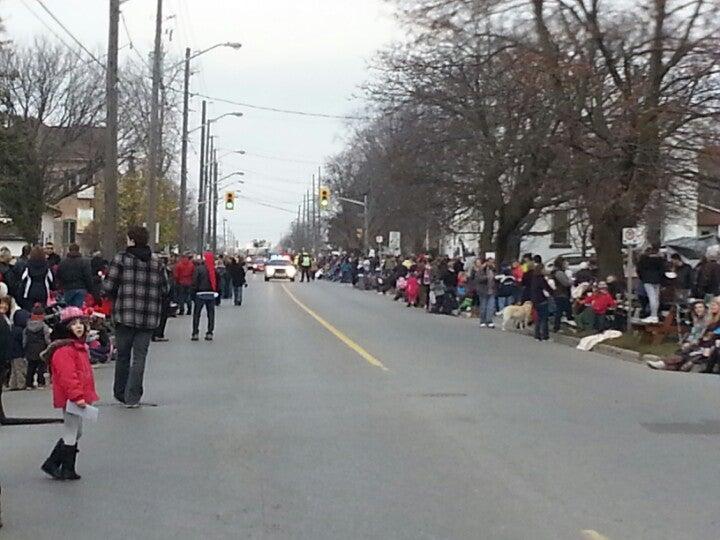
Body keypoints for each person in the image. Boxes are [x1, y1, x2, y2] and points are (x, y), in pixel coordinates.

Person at [103, 226, 168, 408]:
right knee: (140, 357)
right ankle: (133, 396)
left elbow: (108, 287)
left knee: (123, 355)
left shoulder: (122, 259)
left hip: (125, 314)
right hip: (148, 317)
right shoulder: (156, 262)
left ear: (131, 240)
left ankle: (120, 391)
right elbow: (165, 289)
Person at [40, 306, 99, 481]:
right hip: (71, 398)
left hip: (74, 396)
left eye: (81, 323)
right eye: (74, 324)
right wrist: (77, 397)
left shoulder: (77, 347)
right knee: (72, 430)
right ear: (66, 328)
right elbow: (68, 377)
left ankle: (55, 463)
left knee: (75, 430)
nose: (79, 327)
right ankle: (65, 467)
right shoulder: (65, 350)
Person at [647, 301, 708, 370]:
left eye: (700, 307)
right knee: (682, 352)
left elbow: (702, 335)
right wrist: (687, 341)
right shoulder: (696, 320)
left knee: (685, 353)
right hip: (694, 343)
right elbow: (693, 333)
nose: (698, 309)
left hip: (702, 345)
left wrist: (690, 343)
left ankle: (663, 363)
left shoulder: (707, 321)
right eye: (696, 308)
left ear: (705, 309)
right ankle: (664, 365)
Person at [191, 252, 219, 341]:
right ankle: (210, 332)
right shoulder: (214, 270)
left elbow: (194, 281)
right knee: (210, 314)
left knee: (197, 314)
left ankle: (195, 332)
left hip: (200, 293)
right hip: (211, 294)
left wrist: (193, 292)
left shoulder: (199, 269)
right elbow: (218, 283)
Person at [57, 244, 93, 308]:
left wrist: (61, 286)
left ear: (69, 250)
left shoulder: (63, 262)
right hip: (81, 288)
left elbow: (59, 275)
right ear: (78, 250)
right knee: (78, 311)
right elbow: (88, 276)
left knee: (68, 311)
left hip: (68, 288)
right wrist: (90, 289)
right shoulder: (85, 262)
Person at [637, 245, 665, 323]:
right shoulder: (660, 260)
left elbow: (639, 270)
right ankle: (655, 315)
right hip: (657, 280)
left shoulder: (644, 259)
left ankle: (653, 316)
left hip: (647, 280)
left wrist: (643, 278)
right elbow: (663, 270)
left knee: (651, 297)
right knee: (656, 298)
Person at [25, 304, 51, 388]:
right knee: (41, 367)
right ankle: (41, 382)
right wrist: (49, 346)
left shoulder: (27, 327)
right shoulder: (44, 326)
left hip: (30, 349)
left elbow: (24, 339)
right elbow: (47, 338)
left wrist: (25, 348)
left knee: (31, 367)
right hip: (41, 349)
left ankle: (29, 383)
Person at [19, 246, 53, 311]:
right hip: (43, 291)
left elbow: (23, 278)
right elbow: (51, 279)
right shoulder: (47, 266)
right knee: (42, 311)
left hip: (30, 291)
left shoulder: (28, 265)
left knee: (29, 311)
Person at [8, 308, 30, 391]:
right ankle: (21, 384)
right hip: (18, 352)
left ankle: (13, 384)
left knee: (14, 369)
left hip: (12, 352)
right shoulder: (21, 331)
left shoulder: (12, 328)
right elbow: (23, 342)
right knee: (20, 369)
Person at [473, 258, 497, 328]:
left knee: (491, 307)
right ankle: (482, 321)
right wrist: (487, 277)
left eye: (492, 262)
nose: (491, 264)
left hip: (492, 290)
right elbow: (478, 279)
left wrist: (496, 278)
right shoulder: (481, 270)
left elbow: (495, 277)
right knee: (483, 306)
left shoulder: (493, 269)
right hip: (483, 291)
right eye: (490, 262)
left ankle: (489, 321)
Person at [531, 263, 552, 341]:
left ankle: (537, 335)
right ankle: (545, 336)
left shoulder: (534, 279)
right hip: (542, 300)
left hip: (535, 300)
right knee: (544, 318)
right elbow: (547, 288)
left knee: (538, 318)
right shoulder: (542, 279)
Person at [552, 257, 574, 332]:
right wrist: (571, 280)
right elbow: (566, 283)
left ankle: (558, 326)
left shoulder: (560, 272)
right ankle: (557, 327)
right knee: (562, 311)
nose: (567, 264)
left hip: (561, 294)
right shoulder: (559, 273)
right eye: (565, 263)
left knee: (561, 311)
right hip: (561, 294)